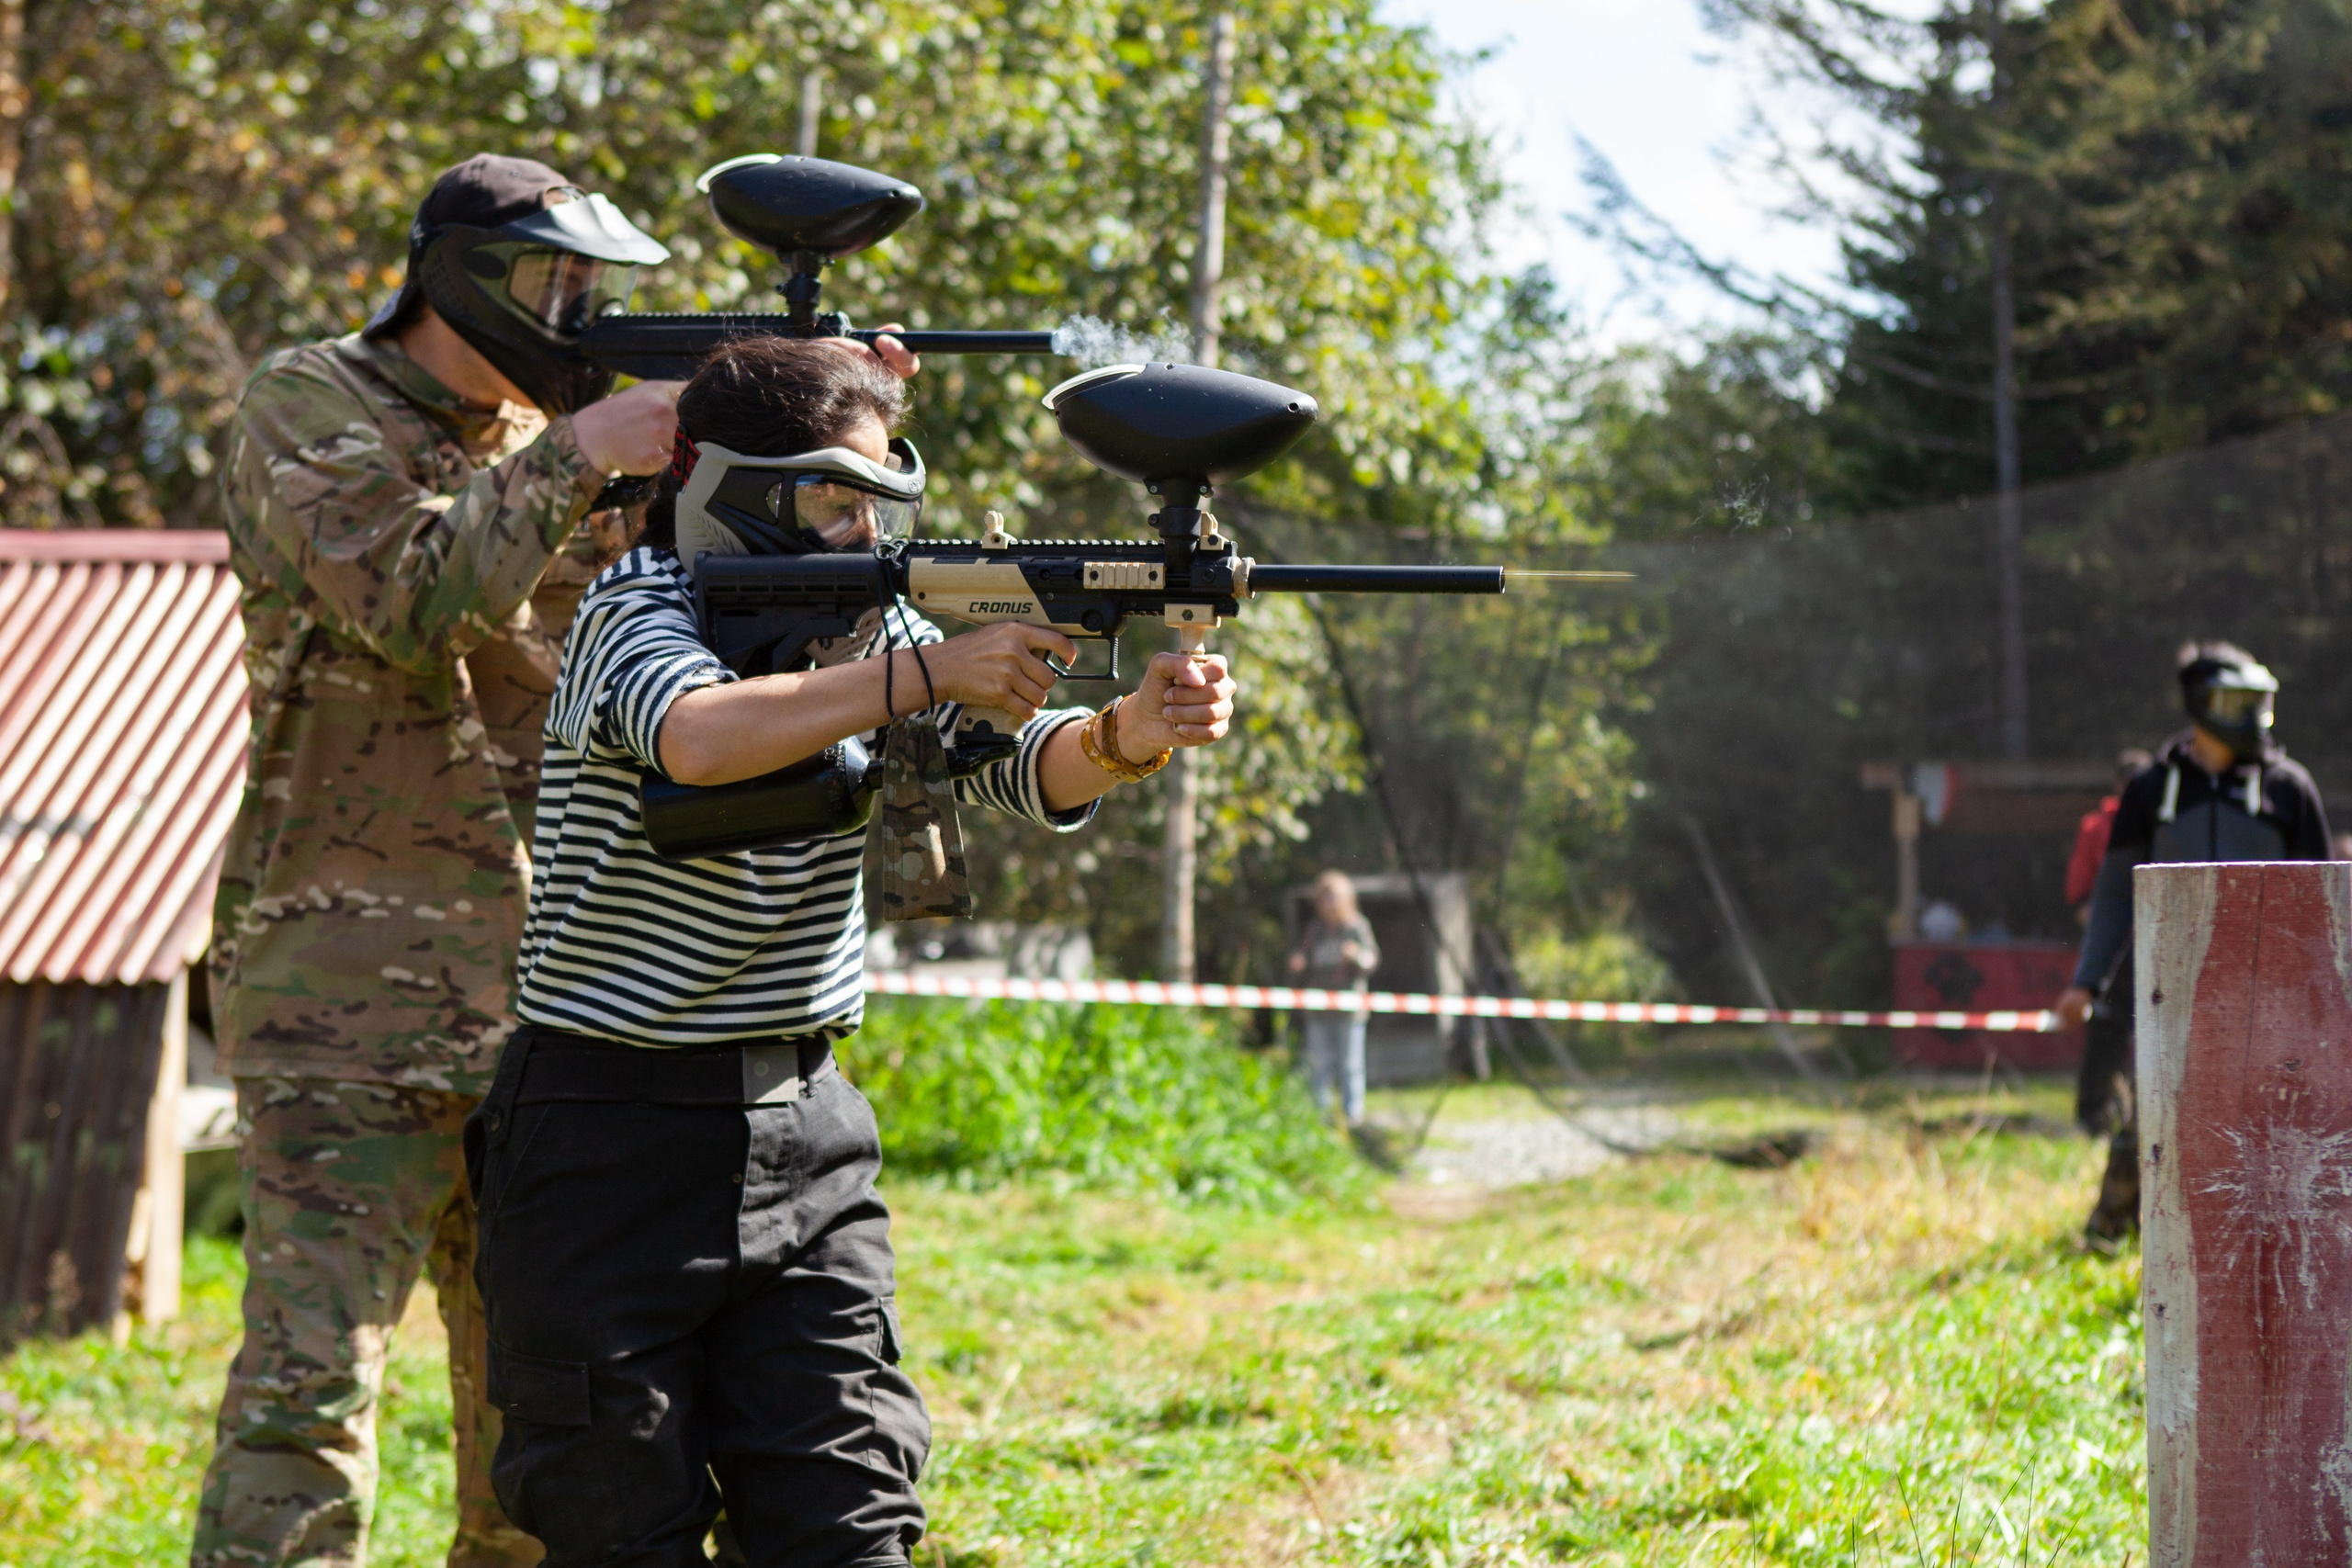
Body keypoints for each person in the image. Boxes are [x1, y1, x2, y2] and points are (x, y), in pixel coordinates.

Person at [194, 152, 918, 1568]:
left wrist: (835, 451)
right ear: (457, 268)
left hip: (558, 1018)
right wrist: (585, 448)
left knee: (542, 1445)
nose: (577, 308)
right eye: (552, 279)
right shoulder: (312, 401)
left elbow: (735, 636)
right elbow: (405, 601)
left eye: (595, 282)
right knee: (307, 1395)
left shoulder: (584, 439)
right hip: (343, 998)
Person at [465, 336, 1239, 1567]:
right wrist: (927, 664)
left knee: (847, 1517)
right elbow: (696, 738)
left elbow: (1017, 762)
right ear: (727, 482)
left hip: (801, 1129)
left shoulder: (868, 627)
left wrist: (1130, 730)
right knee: (615, 1522)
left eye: (876, 501)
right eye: (834, 499)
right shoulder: (634, 609)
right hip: (601, 1138)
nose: (860, 532)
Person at [2052, 642, 2330, 1246]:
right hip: (2171, 992)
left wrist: (2325, 995)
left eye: (2263, 705)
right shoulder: (2153, 790)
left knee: (2269, 1126)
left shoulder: (2289, 788)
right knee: (2151, 1120)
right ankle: (2109, 1235)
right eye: (2240, 703)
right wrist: (2087, 980)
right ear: (2204, 705)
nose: (2255, 718)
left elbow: (2321, 902)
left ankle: (2266, 1242)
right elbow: (2115, 893)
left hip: (2271, 996)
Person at [2065, 748, 2153, 1140]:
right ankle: (2094, 1112)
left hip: (2157, 940)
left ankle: (2142, 1111)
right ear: (2118, 785)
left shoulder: (2162, 819)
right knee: (2105, 1025)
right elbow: (2083, 888)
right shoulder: (2096, 827)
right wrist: (2099, 922)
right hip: (2116, 946)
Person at [1286, 871, 1382, 1123]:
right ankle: (1322, 1116)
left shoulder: (1356, 927)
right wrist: (1298, 963)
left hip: (1349, 1008)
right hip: (1318, 1009)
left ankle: (1353, 1116)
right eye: (1326, 898)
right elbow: (1302, 959)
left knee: (1350, 1065)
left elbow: (1371, 960)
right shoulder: (1314, 930)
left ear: (1347, 899)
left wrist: (1357, 956)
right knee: (1319, 1065)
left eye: (1335, 897)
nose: (1331, 903)